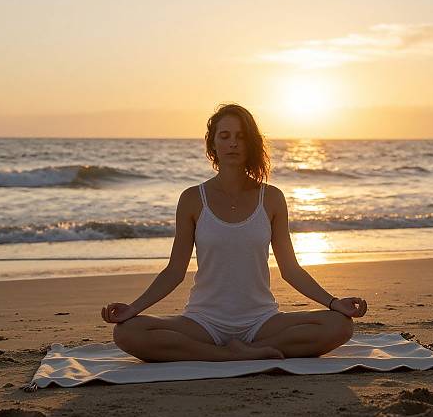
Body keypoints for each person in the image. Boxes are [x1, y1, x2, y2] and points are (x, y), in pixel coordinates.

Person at [101, 103, 368, 362]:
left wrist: (333, 303)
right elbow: (174, 271)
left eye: (241, 136)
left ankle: (248, 349)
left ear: (251, 143)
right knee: (127, 332)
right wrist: (133, 309)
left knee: (339, 326)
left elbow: (291, 270)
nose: (233, 143)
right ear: (213, 144)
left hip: (262, 321)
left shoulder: (272, 198)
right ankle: (228, 355)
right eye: (225, 136)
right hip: (203, 321)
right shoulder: (193, 199)